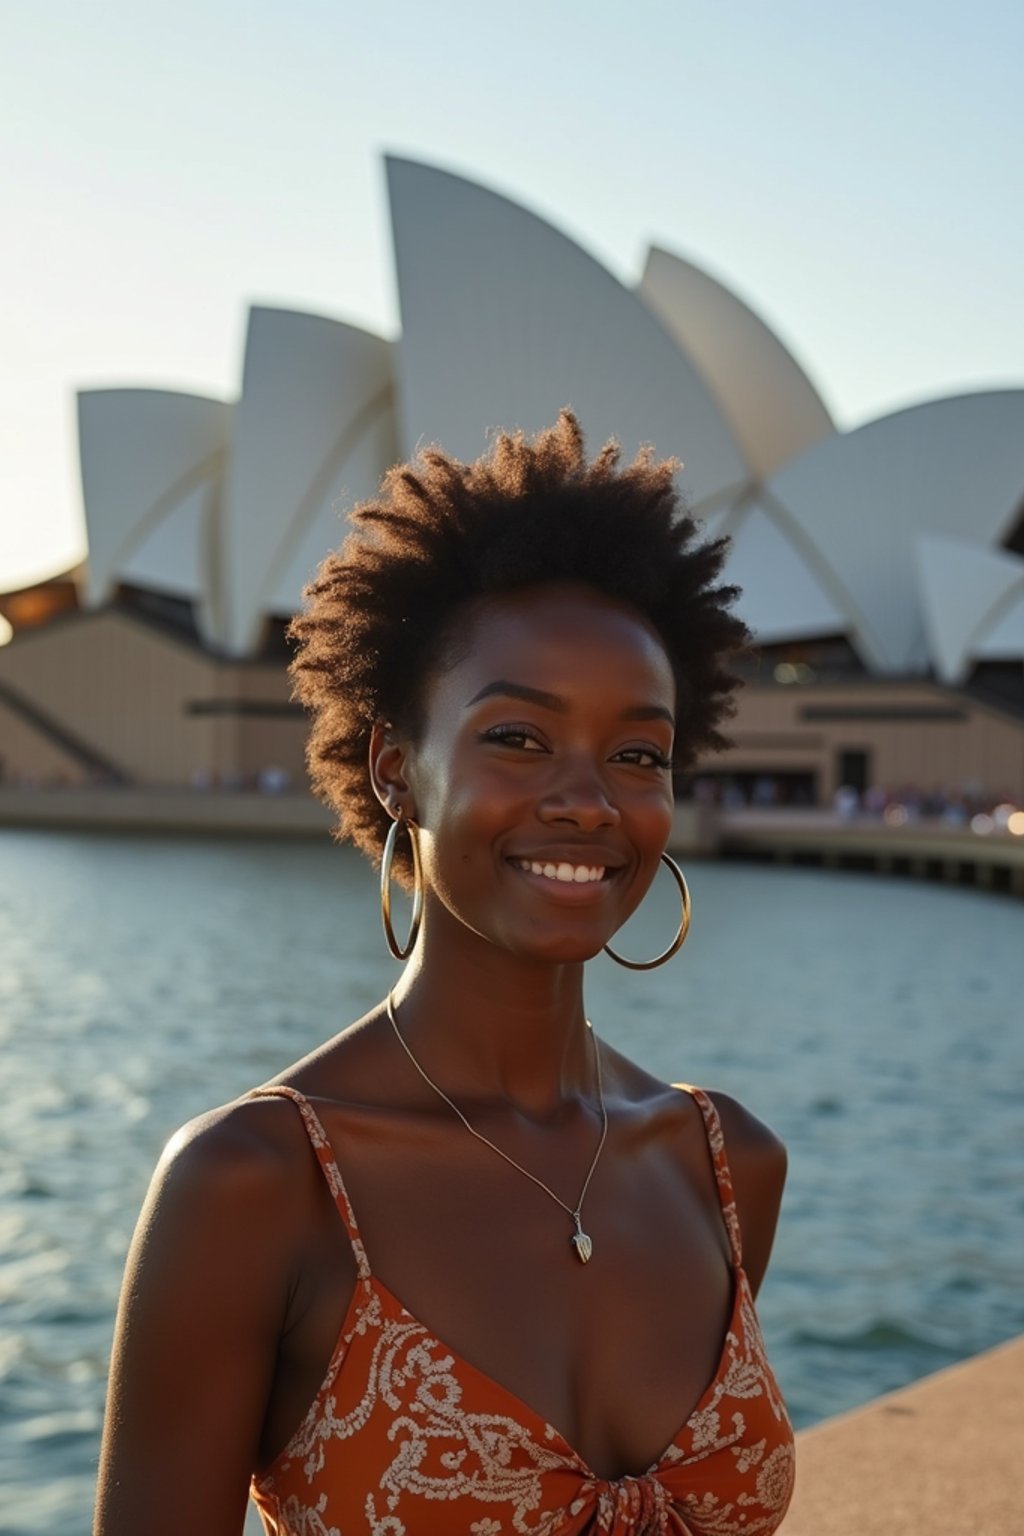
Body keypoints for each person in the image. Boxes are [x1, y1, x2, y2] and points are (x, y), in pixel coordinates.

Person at [94, 413, 794, 1535]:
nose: (588, 800)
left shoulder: (724, 1165)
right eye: (517, 737)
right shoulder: (258, 1185)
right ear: (394, 769)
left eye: (638, 753)